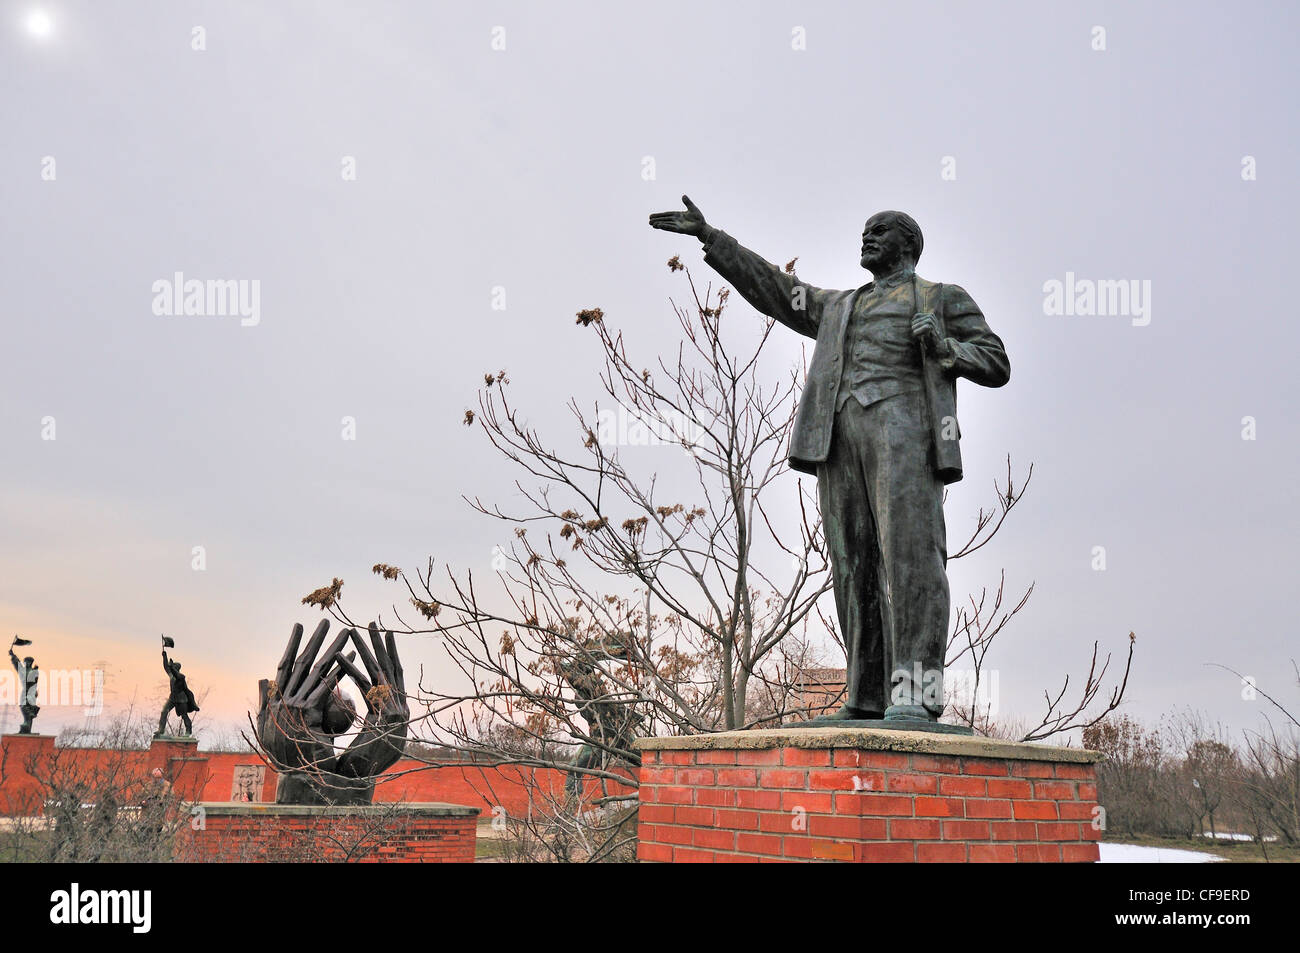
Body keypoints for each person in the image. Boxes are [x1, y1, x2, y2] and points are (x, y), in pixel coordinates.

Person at [650, 198, 1009, 721]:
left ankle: (918, 695)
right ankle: (867, 696)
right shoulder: (838, 307)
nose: (866, 238)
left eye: (878, 231)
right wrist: (712, 238)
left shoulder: (940, 297)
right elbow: (775, 289)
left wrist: (946, 345)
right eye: (864, 231)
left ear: (907, 243)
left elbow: (996, 360)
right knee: (852, 564)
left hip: (904, 430)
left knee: (911, 562)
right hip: (839, 436)